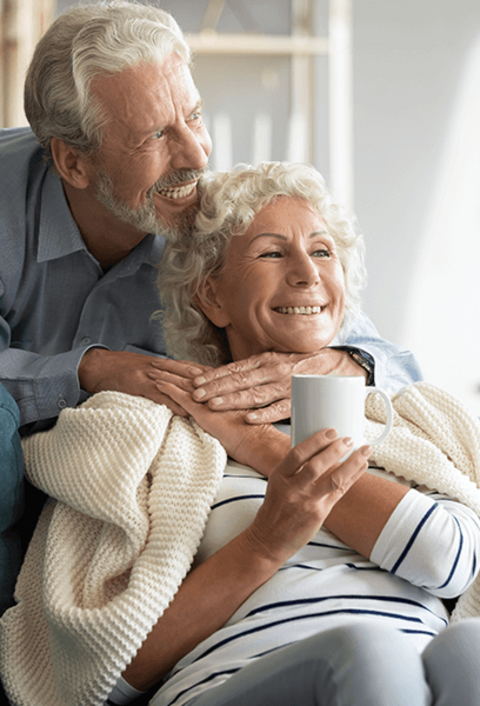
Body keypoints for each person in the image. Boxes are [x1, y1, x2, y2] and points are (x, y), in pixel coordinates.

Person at [3, 162, 476, 706]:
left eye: (323, 252)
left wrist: (263, 446)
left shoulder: (407, 418)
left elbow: (452, 560)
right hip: (237, 681)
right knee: (372, 653)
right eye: (273, 253)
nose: (307, 273)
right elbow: (104, 672)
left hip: (414, 672)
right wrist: (264, 540)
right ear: (213, 296)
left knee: (471, 650)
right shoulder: (140, 435)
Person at [0, 0, 422, 439]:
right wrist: (91, 369)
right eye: (156, 135)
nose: (198, 155)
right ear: (73, 163)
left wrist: (342, 364)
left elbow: (390, 360)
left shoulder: (215, 219)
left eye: (194, 116)